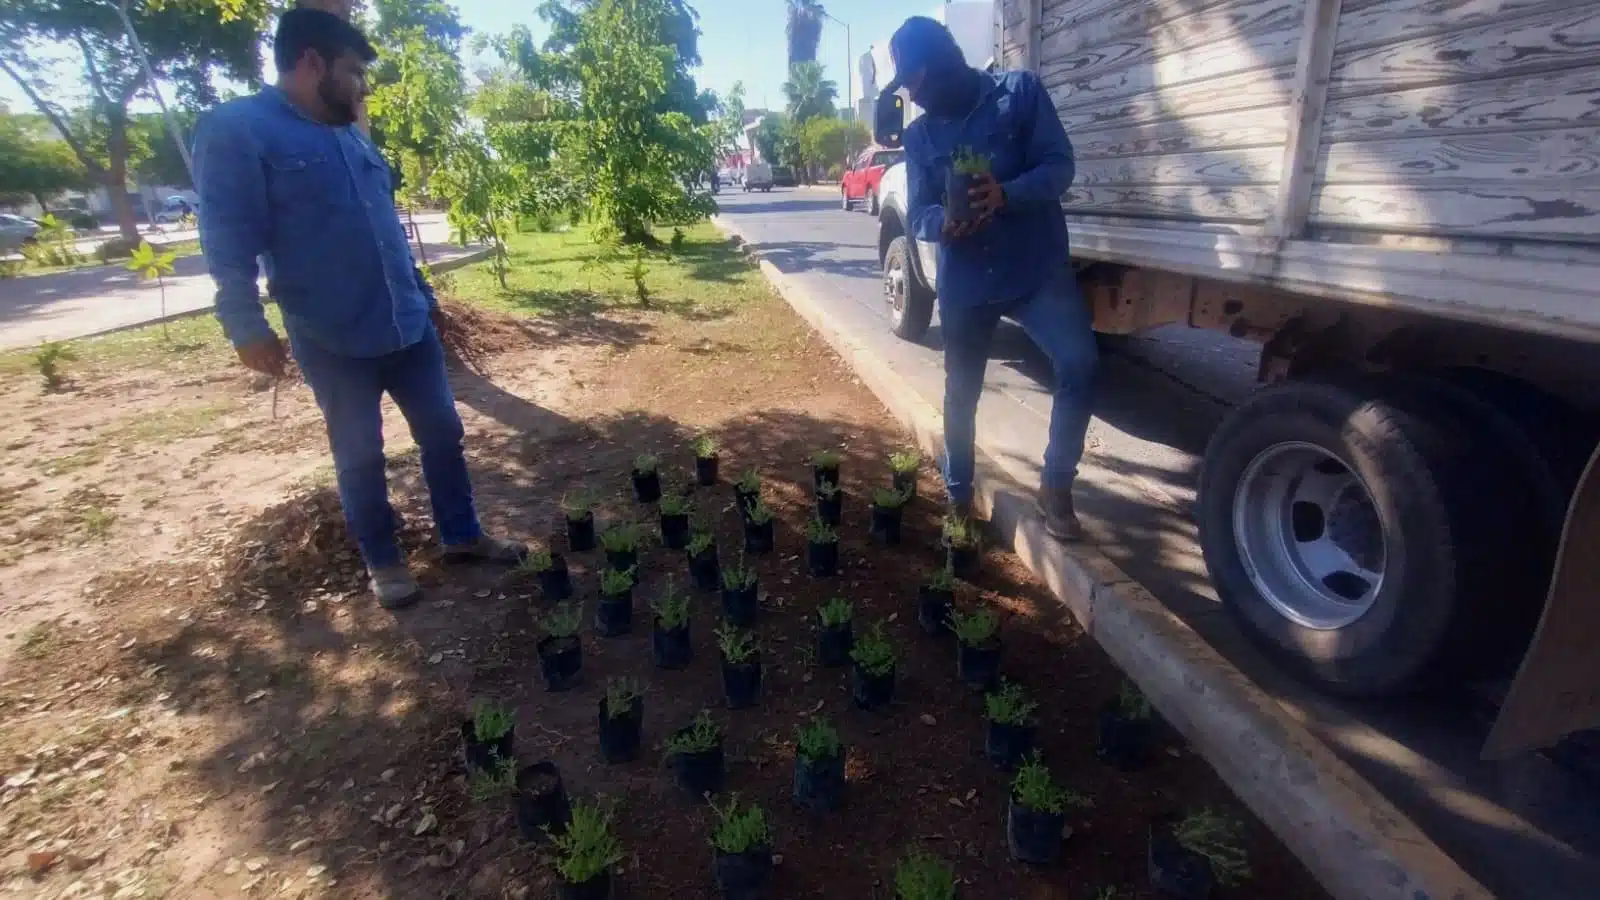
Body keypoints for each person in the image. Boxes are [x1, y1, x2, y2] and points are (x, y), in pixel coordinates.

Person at [194, 9, 527, 608]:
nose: (363, 87)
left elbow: (385, 231)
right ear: (312, 62)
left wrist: (424, 298)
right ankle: (385, 563)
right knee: (360, 453)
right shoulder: (238, 129)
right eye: (353, 72)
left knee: (444, 433)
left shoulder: (350, 134)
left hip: (407, 322)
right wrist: (244, 323)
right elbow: (227, 236)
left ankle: (462, 536)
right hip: (331, 333)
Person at [883, 16, 1097, 541]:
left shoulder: (1019, 93)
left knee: (1080, 366)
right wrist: (944, 224)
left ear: (935, 69)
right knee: (961, 394)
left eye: (912, 81)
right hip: (968, 279)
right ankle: (958, 495)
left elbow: (1059, 166)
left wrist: (1007, 193)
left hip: (1033, 266)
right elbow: (918, 211)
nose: (911, 94)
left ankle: (1056, 485)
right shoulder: (920, 135)